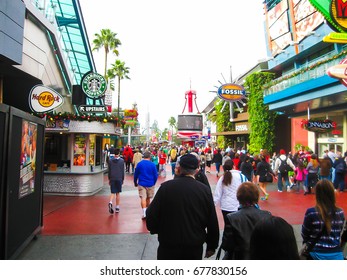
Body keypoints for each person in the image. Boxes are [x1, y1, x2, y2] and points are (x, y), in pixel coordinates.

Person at [146, 153, 219, 260]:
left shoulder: (166, 188)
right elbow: (212, 220)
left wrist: (157, 229)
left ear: (179, 168)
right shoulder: (204, 190)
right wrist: (212, 246)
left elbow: (151, 214)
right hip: (193, 245)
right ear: (196, 169)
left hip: (168, 244)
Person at [220, 182, 272, 260]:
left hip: (240, 257)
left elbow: (227, 244)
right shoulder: (267, 215)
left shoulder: (232, 218)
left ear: (239, 197)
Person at [301, 179, 347, 260]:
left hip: (315, 253)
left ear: (317, 194)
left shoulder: (311, 212)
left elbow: (304, 233)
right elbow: (339, 232)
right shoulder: (340, 212)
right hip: (336, 253)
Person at [214, 159, 247, 224]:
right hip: (239, 205)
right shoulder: (241, 176)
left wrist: (213, 205)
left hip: (225, 206)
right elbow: (248, 189)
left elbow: (218, 193)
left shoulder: (223, 178)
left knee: (227, 226)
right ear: (233, 166)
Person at [134, 151, 158, 219]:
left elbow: (136, 174)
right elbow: (155, 175)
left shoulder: (139, 164)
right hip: (150, 183)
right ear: (150, 157)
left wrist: (135, 182)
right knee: (148, 198)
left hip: (142, 183)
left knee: (143, 198)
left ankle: (144, 212)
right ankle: (147, 211)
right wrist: (154, 182)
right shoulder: (153, 165)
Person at [107, 148, 124, 214]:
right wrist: (122, 179)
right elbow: (122, 171)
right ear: (119, 153)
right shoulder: (122, 161)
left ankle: (110, 202)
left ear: (114, 153)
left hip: (112, 178)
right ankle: (117, 207)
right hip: (119, 177)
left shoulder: (110, 161)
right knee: (118, 193)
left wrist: (109, 178)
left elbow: (109, 170)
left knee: (112, 192)